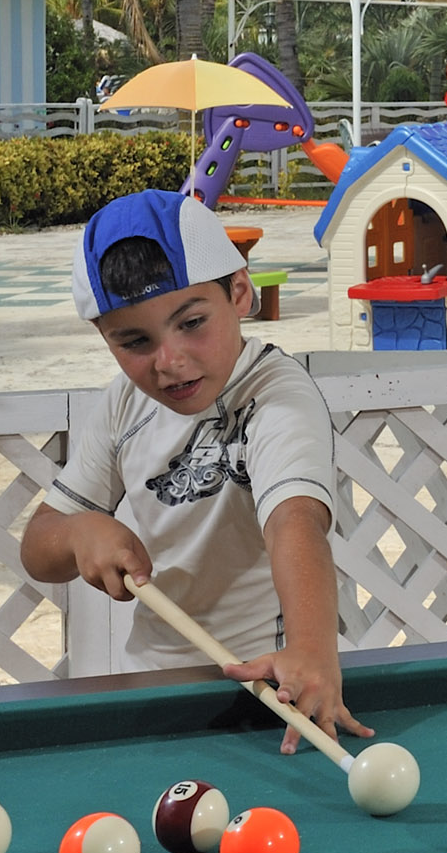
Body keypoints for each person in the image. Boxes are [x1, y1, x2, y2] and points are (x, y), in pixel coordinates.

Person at [18, 189, 368, 757]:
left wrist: (311, 650)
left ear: (240, 292)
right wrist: (81, 531)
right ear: (105, 339)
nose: (169, 360)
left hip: (274, 693)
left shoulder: (278, 396)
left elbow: (295, 522)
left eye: (192, 323)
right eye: (135, 341)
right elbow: (38, 548)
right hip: (152, 689)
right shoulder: (122, 406)